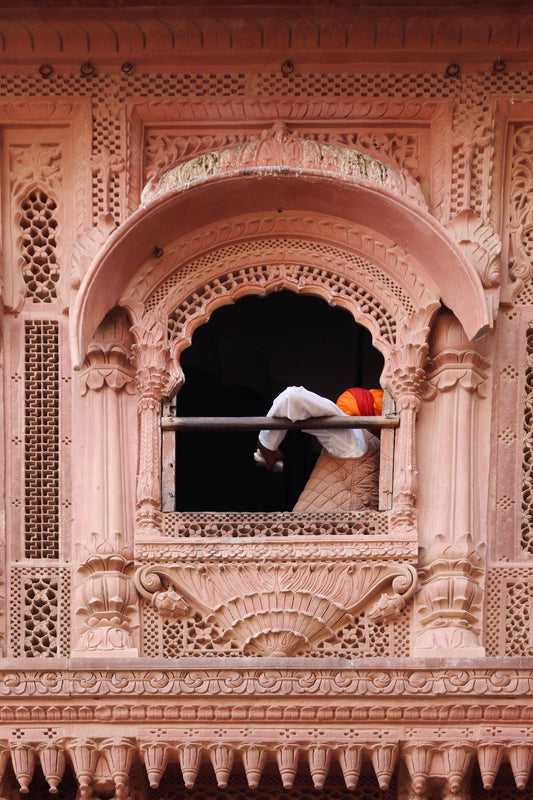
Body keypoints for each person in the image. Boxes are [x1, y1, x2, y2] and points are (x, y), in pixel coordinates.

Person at [254, 385, 384, 512]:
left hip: (319, 529)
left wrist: (266, 445)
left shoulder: (355, 439)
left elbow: (293, 397)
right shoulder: (367, 444)